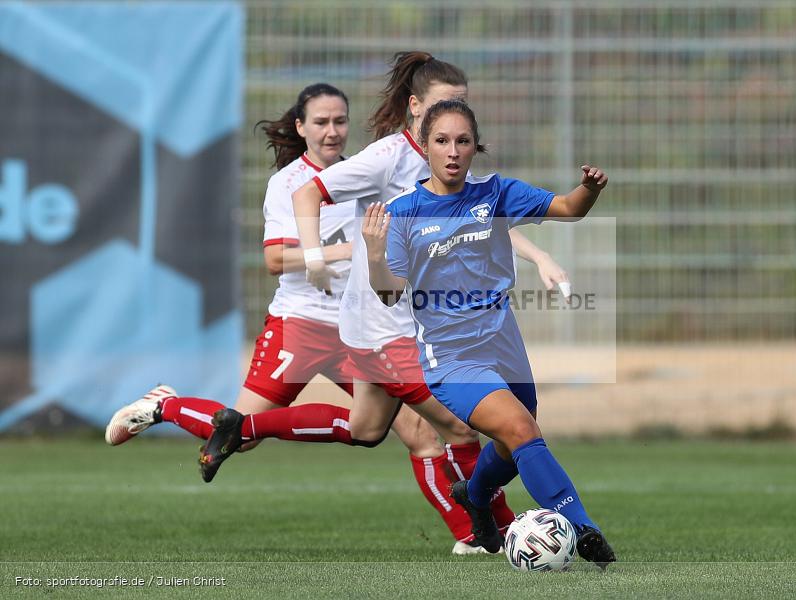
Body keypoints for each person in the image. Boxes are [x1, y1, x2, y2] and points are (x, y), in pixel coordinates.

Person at [202, 52, 569, 550]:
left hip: (400, 323)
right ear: (416, 106)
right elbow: (308, 194)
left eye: (461, 105)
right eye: (444, 105)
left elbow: (483, 218)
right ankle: (491, 531)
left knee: (367, 428)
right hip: (385, 324)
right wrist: (312, 255)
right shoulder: (387, 158)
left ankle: (240, 425)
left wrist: (539, 254)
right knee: (461, 427)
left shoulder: (448, 157)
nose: (454, 117)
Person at [103, 84, 483, 552]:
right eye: (320, 122)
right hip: (299, 324)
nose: (332, 131)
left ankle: (473, 537)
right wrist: (340, 251)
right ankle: (165, 405)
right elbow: (275, 260)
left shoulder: (362, 172)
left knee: (420, 434)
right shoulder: (287, 184)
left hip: (357, 328)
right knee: (240, 436)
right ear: (301, 128)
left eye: (340, 121)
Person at [362, 99, 616, 567]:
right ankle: (584, 531)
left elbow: (567, 209)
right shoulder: (403, 212)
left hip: (505, 344)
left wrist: (588, 189)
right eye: (442, 141)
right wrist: (375, 254)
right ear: (424, 146)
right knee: (522, 430)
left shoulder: (495, 194)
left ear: (476, 146)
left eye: (463, 141)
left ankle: (475, 496)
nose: (453, 151)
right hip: (452, 358)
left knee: (509, 442)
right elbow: (389, 294)